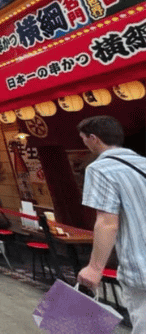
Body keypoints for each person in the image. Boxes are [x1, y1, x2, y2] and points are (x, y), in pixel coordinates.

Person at [76, 116, 146, 333]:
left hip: (141, 266)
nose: (85, 144)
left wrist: (95, 268)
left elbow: (107, 222)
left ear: (94, 138)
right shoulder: (143, 163)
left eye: (84, 139)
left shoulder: (100, 169)